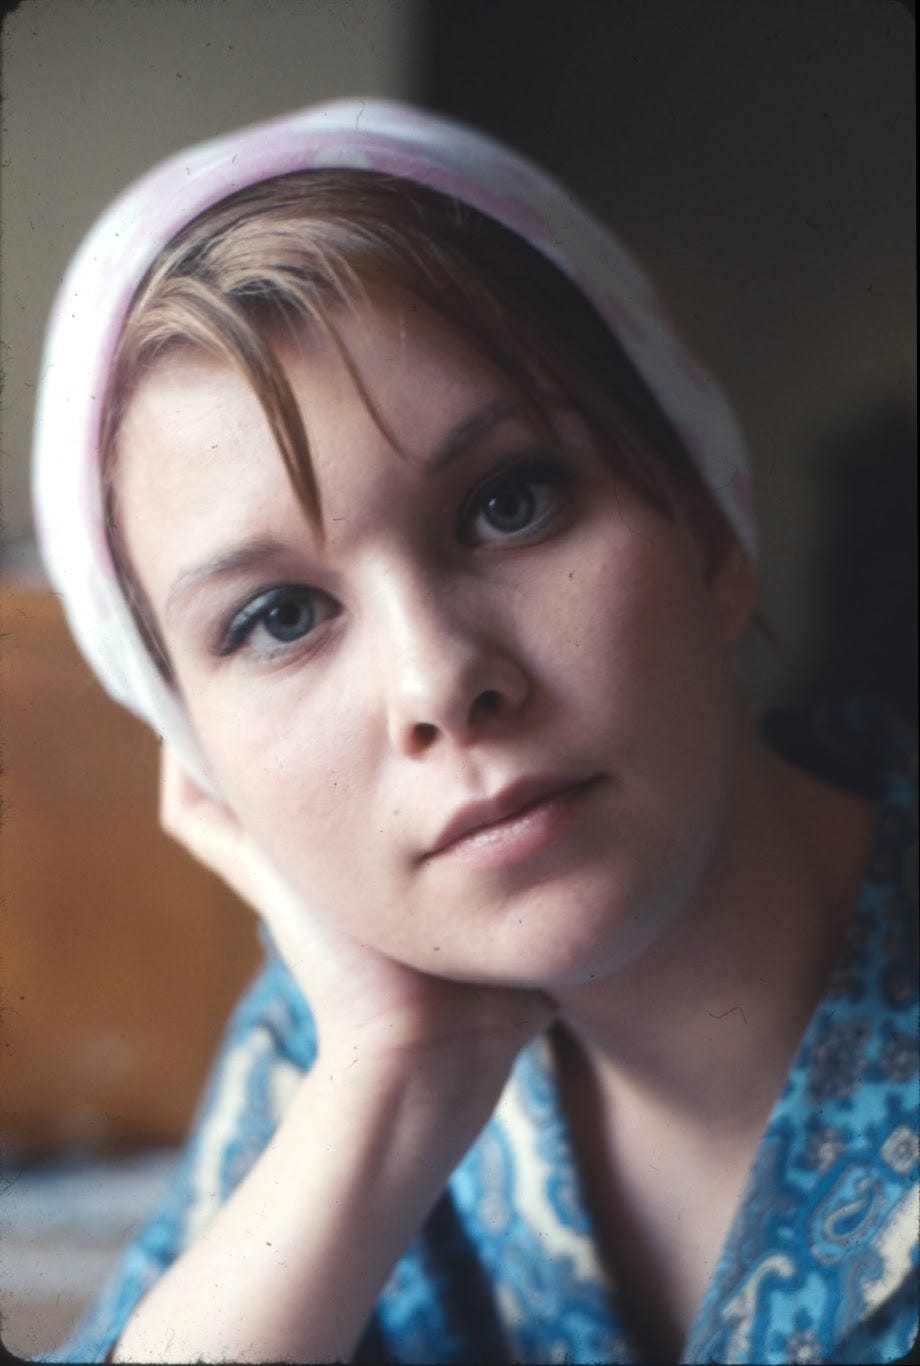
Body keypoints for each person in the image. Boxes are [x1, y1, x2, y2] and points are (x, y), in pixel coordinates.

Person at [31, 99, 917, 1365]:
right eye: (279, 616)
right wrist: (391, 1082)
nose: (437, 680)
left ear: (708, 526)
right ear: (204, 764)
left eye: (508, 502)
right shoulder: (332, 1031)